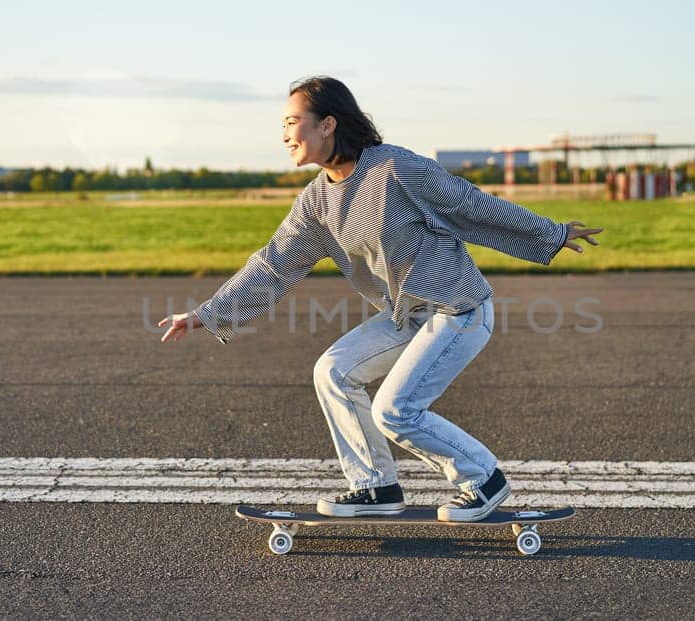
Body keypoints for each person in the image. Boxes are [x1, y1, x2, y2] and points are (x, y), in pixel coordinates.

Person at [157, 76, 602, 522]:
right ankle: (375, 486)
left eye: (292, 122)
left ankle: (482, 479)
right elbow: (274, 265)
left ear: (328, 124)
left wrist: (552, 233)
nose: (284, 134)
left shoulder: (394, 169)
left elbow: (470, 204)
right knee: (334, 371)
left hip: (458, 311)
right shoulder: (317, 204)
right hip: (405, 317)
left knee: (396, 410)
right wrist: (207, 314)